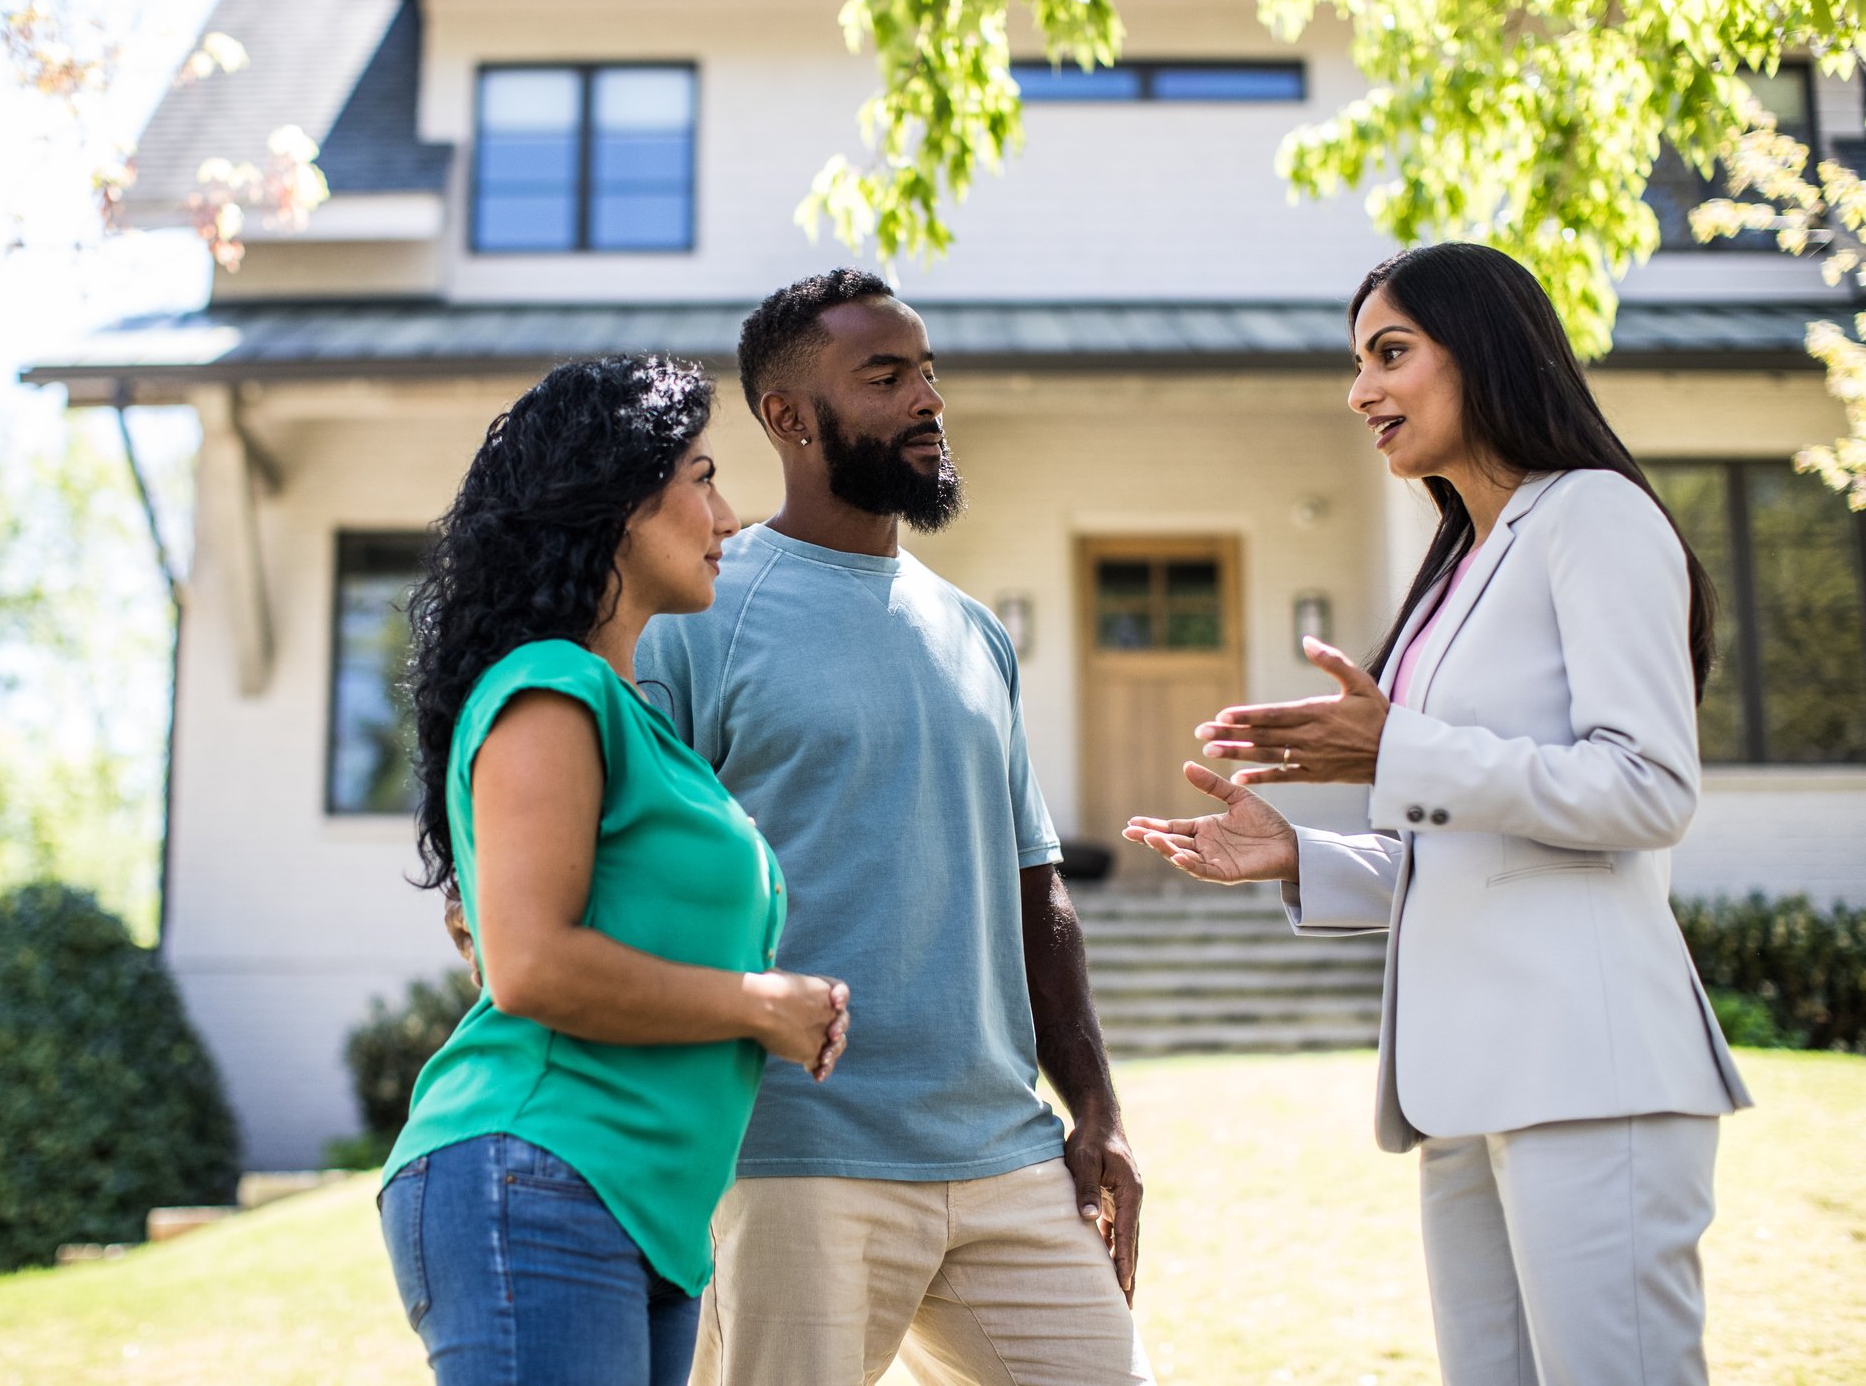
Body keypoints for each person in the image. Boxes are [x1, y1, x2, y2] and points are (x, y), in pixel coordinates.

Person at [1124, 243, 1752, 1385]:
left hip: (1588, 1066)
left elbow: (1648, 788)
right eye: (1357, 360)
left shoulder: (1594, 517)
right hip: (1461, 1087)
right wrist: (1301, 856)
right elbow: (1471, 842)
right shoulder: (1456, 567)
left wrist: (1395, 744)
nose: (1360, 390)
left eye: (1392, 353)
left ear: (1492, 347)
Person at [637, 270, 1152, 1386]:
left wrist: (1097, 1110)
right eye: (885, 377)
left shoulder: (973, 631)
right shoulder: (698, 619)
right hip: (796, 1155)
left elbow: (1035, 888)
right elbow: (638, 875)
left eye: (927, 373)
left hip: (1005, 1149)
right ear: (787, 418)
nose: (926, 400)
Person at [381, 355, 853, 1386]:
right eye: (703, 476)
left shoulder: (643, 723)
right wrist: (760, 1003)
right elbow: (532, 968)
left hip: (642, 1210)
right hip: (540, 1167)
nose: (730, 517)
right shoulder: (551, 687)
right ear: (619, 500)